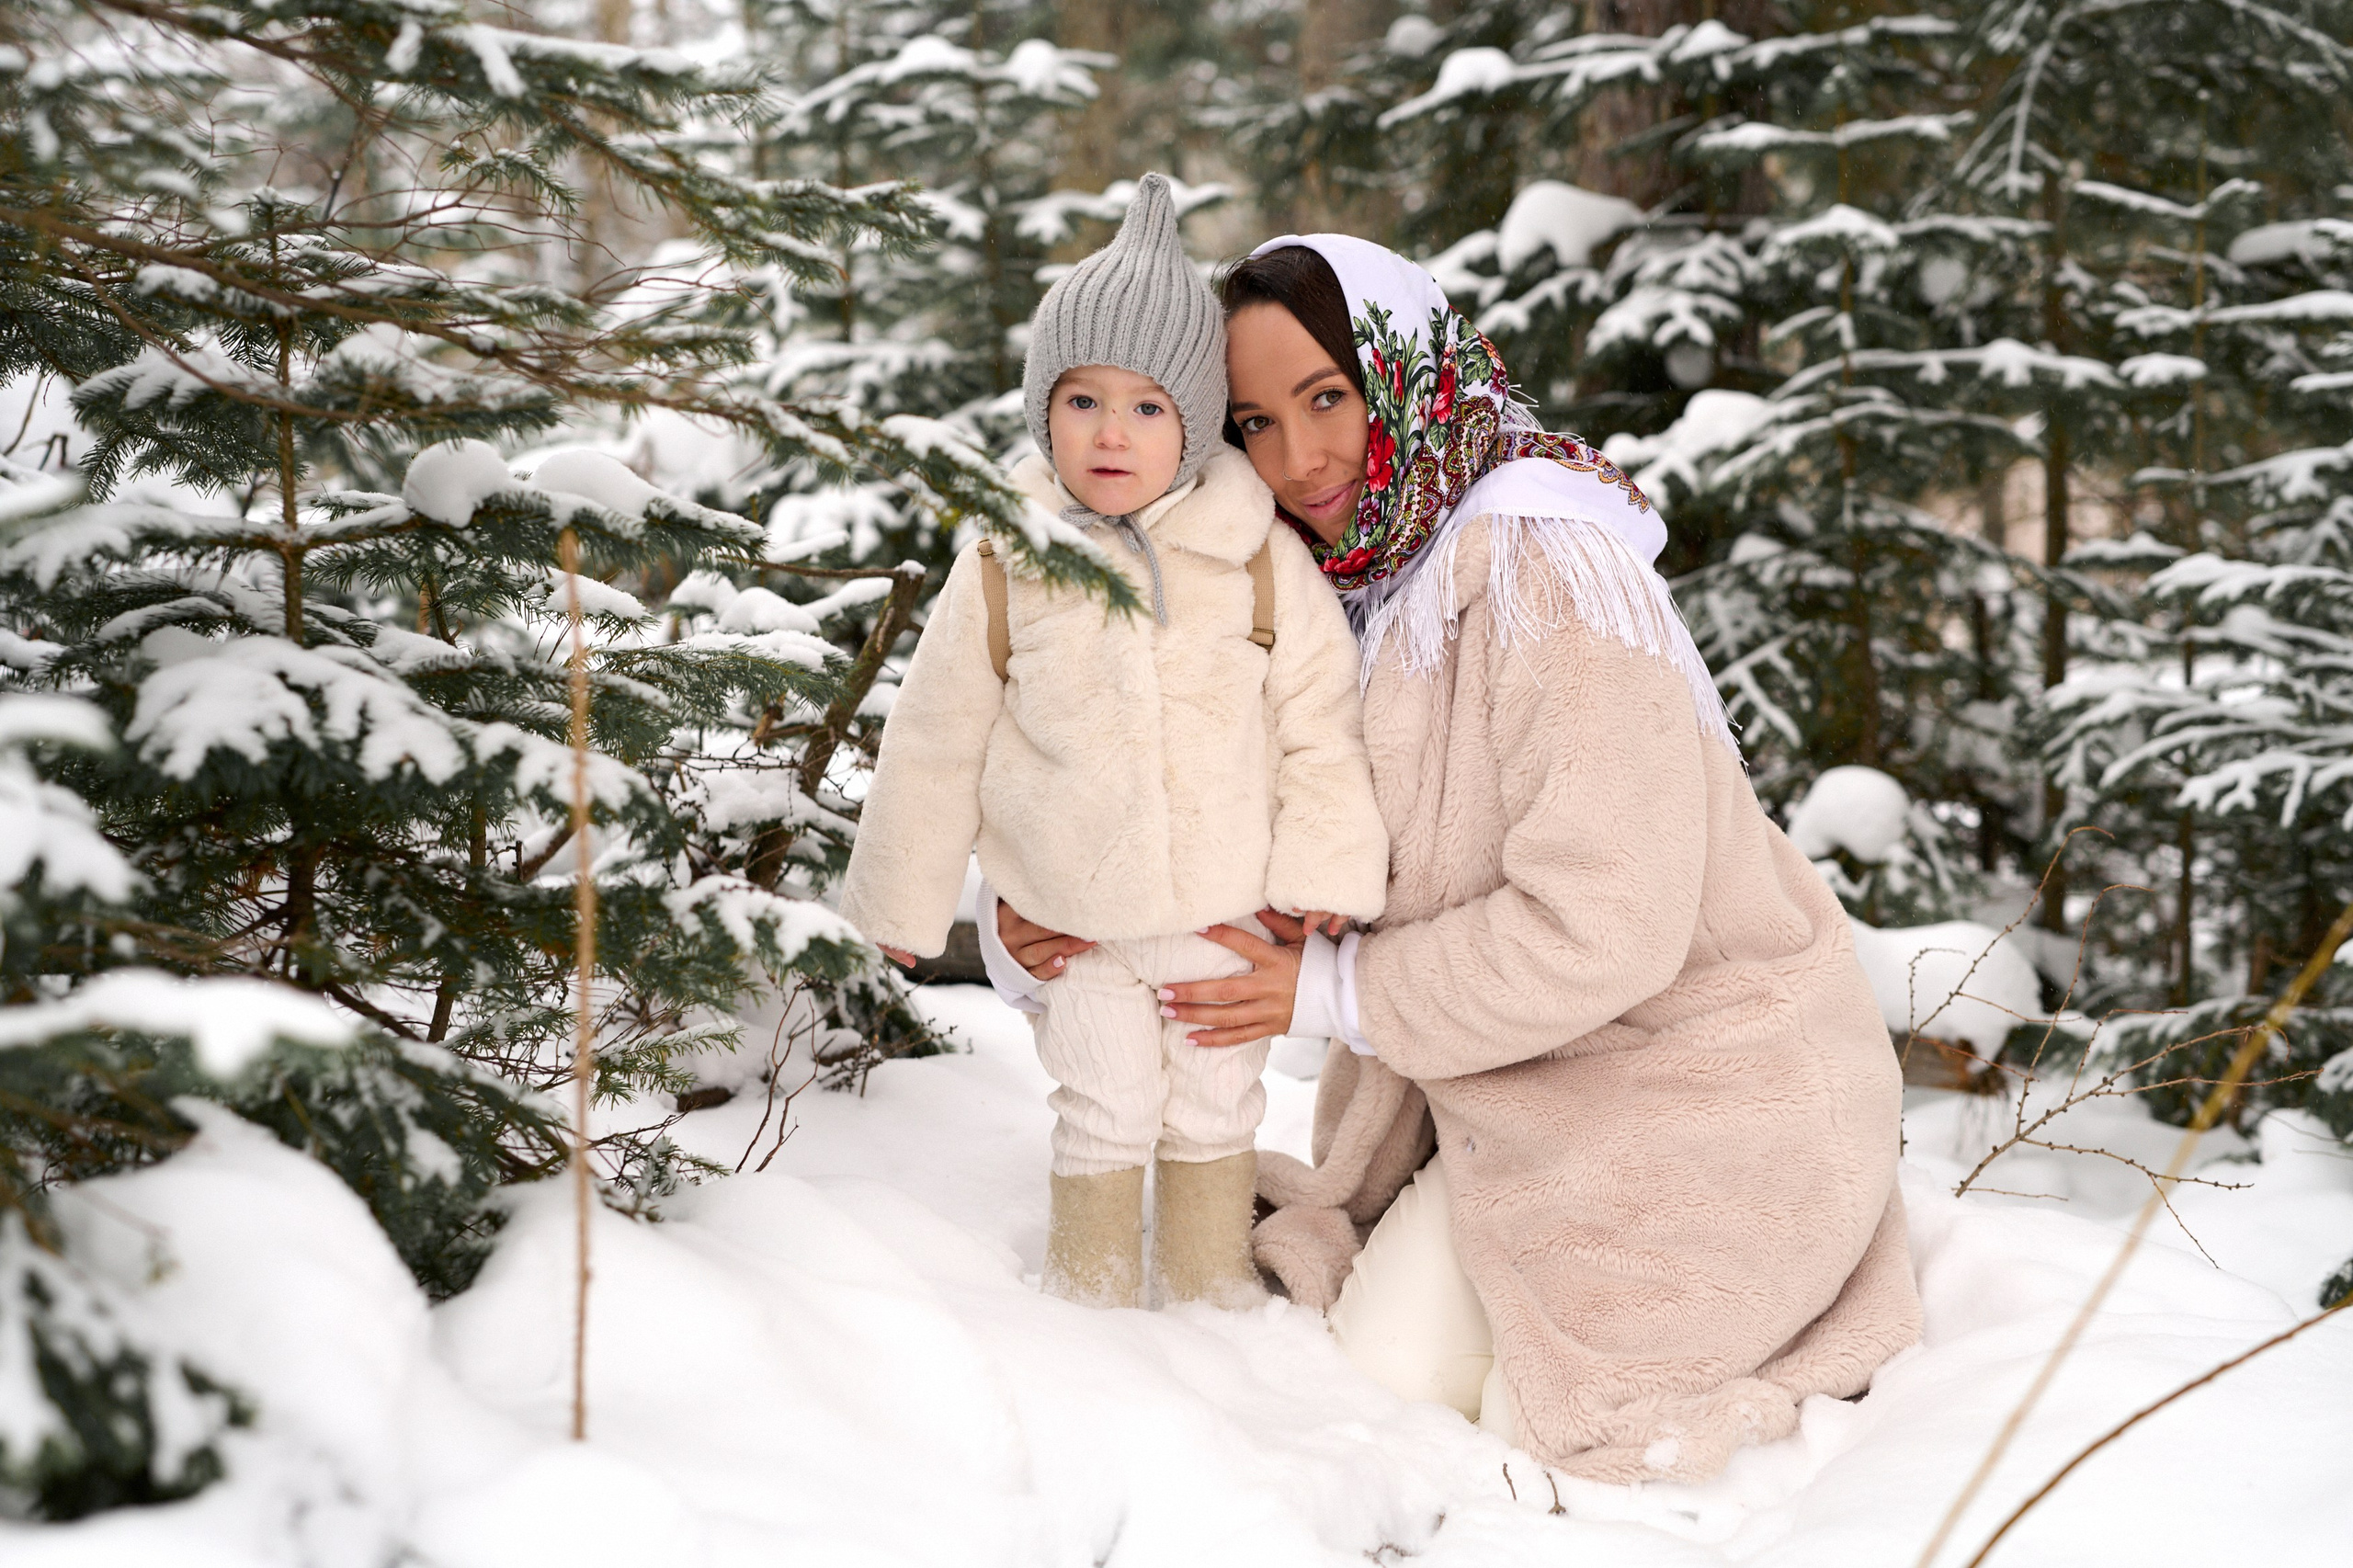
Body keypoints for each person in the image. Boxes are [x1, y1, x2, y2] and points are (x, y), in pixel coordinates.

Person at [983, 233, 1921, 1484]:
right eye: (1255, 422)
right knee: (1365, 1391)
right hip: (1500, 1099)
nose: (1300, 458)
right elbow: (1172, 812)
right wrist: (1039, 922)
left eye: (1329, 397)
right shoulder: (1319, 589)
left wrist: (1337, 989)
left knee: (1487, 1427)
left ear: (1406, 374)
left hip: (1696, 1090)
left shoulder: (1546, 570)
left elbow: (1610, 922)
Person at [837, 177, 1388, 1312]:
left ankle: (1210, 1300)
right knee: (1103, 1104)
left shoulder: (1254, 552)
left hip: (1224, 918)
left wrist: (1323, 875)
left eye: (1146, 406)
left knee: (1214, 1107)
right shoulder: (1007, 557)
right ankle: (1087, 1304)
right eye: (1081, 399)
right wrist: (903, 899)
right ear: (1042, 407)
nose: (1109, 432)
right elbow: (937, 735)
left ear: (1194, 419)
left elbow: (1318, 720)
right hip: (1073, 919)